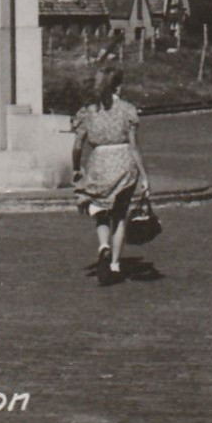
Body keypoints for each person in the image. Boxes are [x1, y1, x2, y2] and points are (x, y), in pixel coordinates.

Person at [70, 66, 151, 287]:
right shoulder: (127, 110)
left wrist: (77, 168)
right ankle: (115, 264)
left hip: (99, 164)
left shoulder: (88, 112)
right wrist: (144, 176)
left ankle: (103, 245)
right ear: (119, 85)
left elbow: (78, 146)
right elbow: (134, 147)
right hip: (124, 163)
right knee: (120, 215)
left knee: (101, 212)